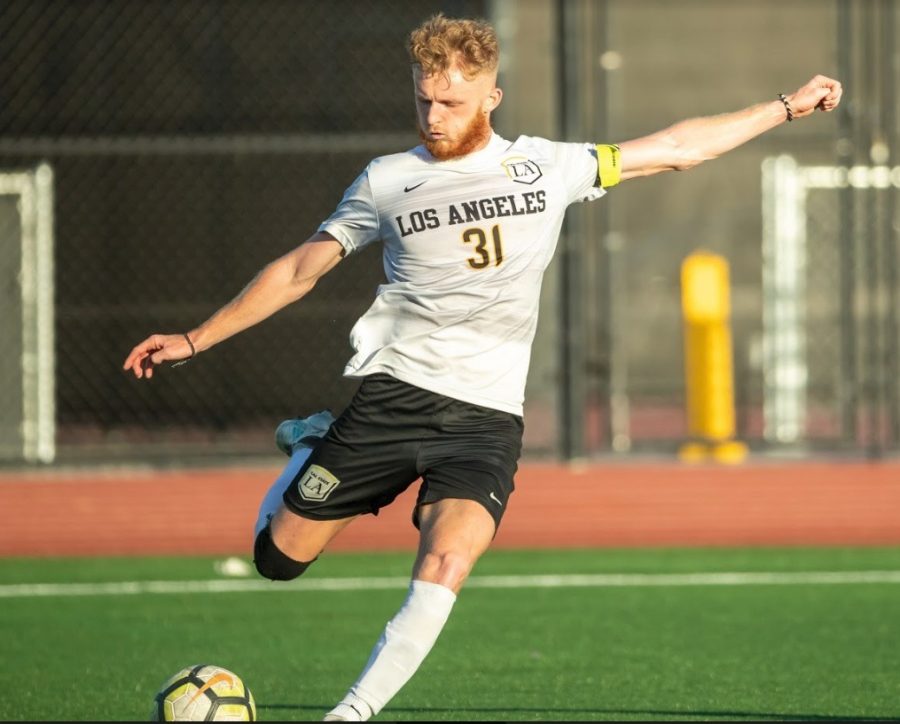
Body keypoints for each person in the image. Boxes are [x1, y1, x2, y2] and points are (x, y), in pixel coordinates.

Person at [123, 13, 843, 721]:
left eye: (452, 102)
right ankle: (311, 445)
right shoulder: (386, 181)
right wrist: (196, 338)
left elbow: (679, 146)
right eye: (423, 99)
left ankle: (351, 714)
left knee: (445, 566)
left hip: (486, 421)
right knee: (276, 560)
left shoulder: (547, 166)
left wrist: (785, 106)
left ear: (491, 97)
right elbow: (301, 269)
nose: (433, 116)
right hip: (394, 399)